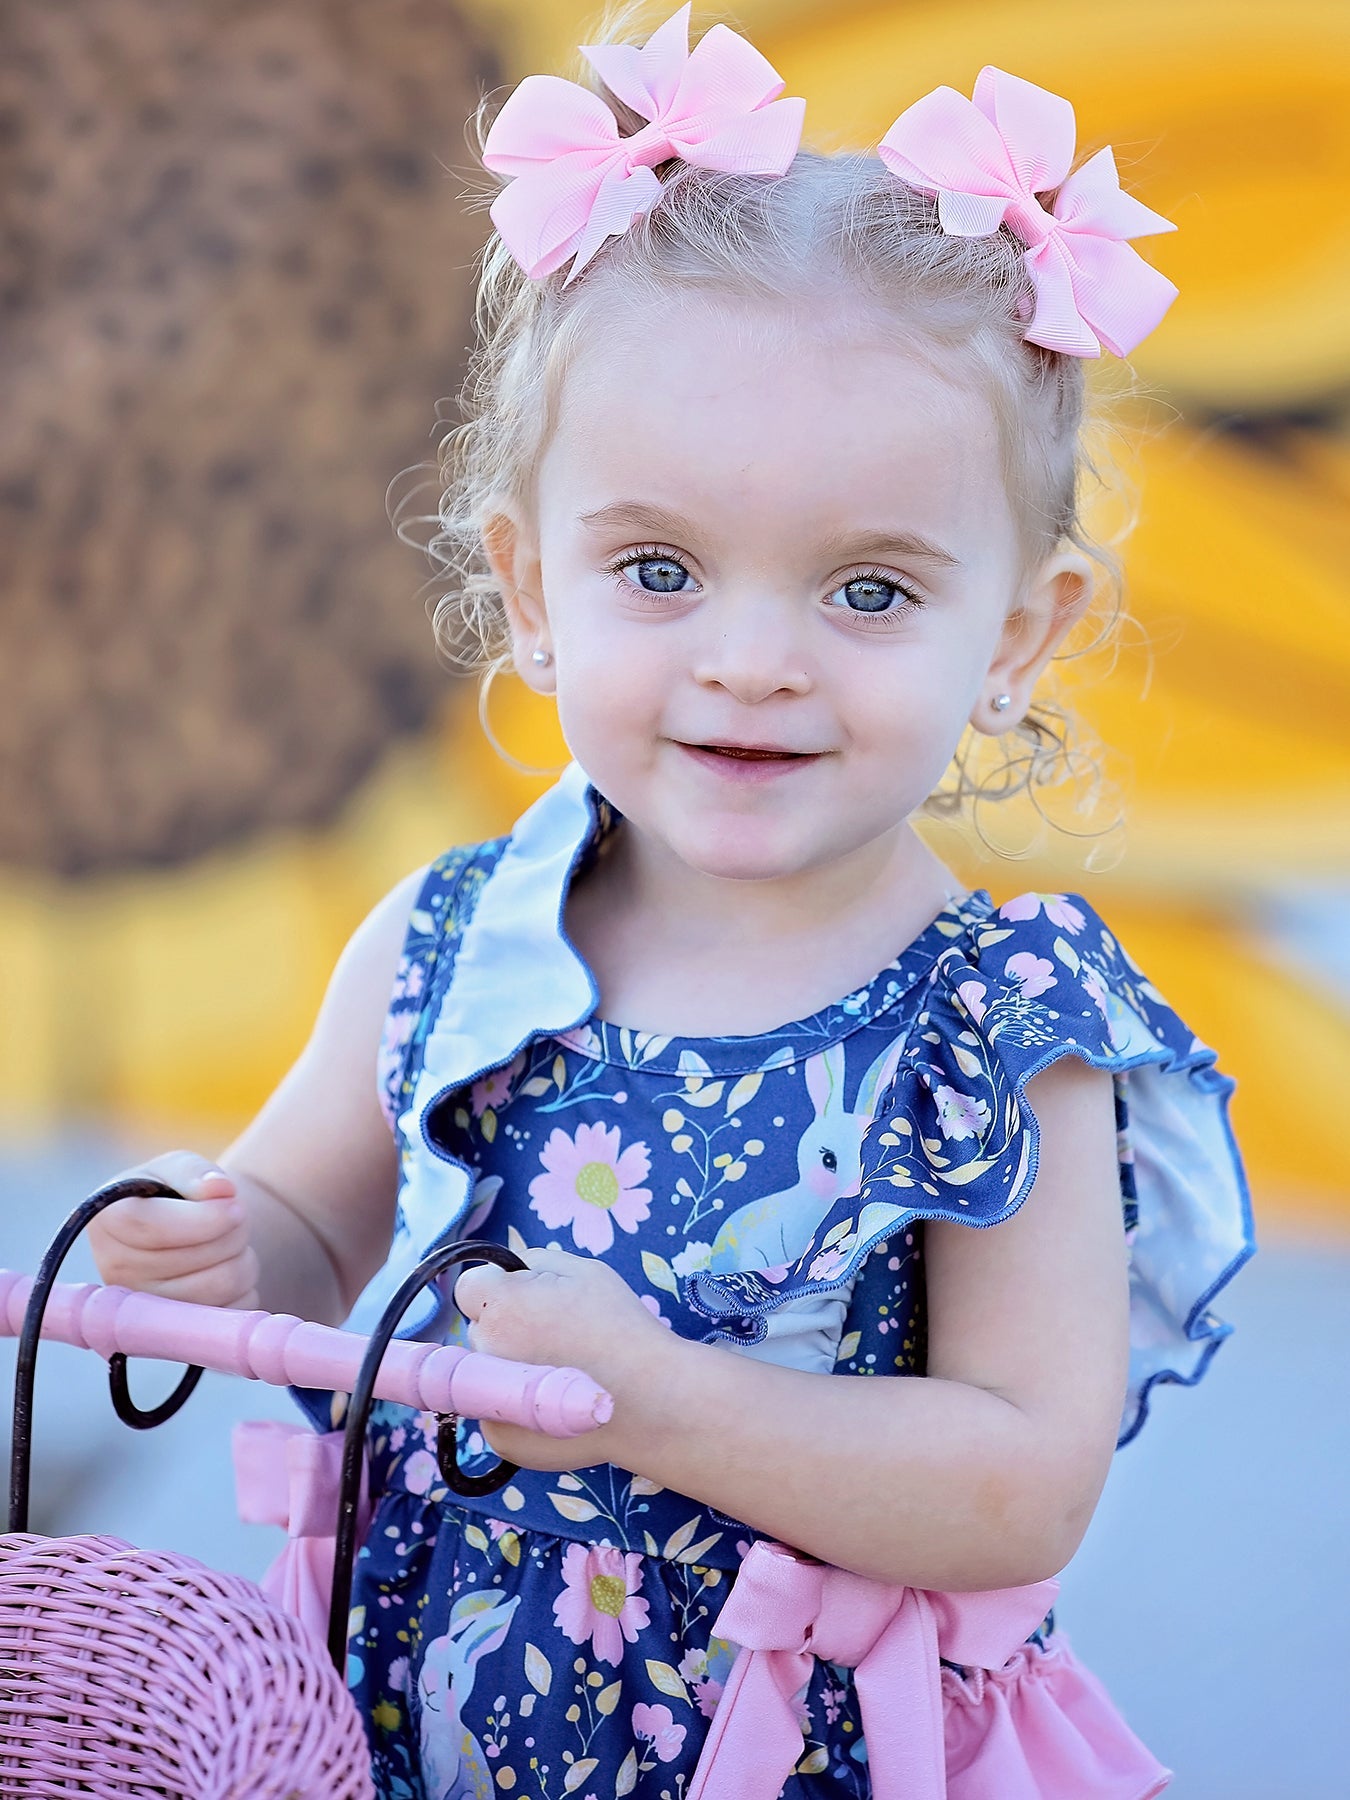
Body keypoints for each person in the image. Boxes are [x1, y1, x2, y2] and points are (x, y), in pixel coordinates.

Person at [89, 8, 1255, 1794]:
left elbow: (1022, 1483)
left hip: (786, 1749)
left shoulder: (997, 1028)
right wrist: (220, 1248)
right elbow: (316, 1236)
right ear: (528, 592)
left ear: (1018, 635)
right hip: (411, 1723)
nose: (751, 660)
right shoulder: (449, 944)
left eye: (869, 592)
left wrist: (663, 1403)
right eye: (657, 569)